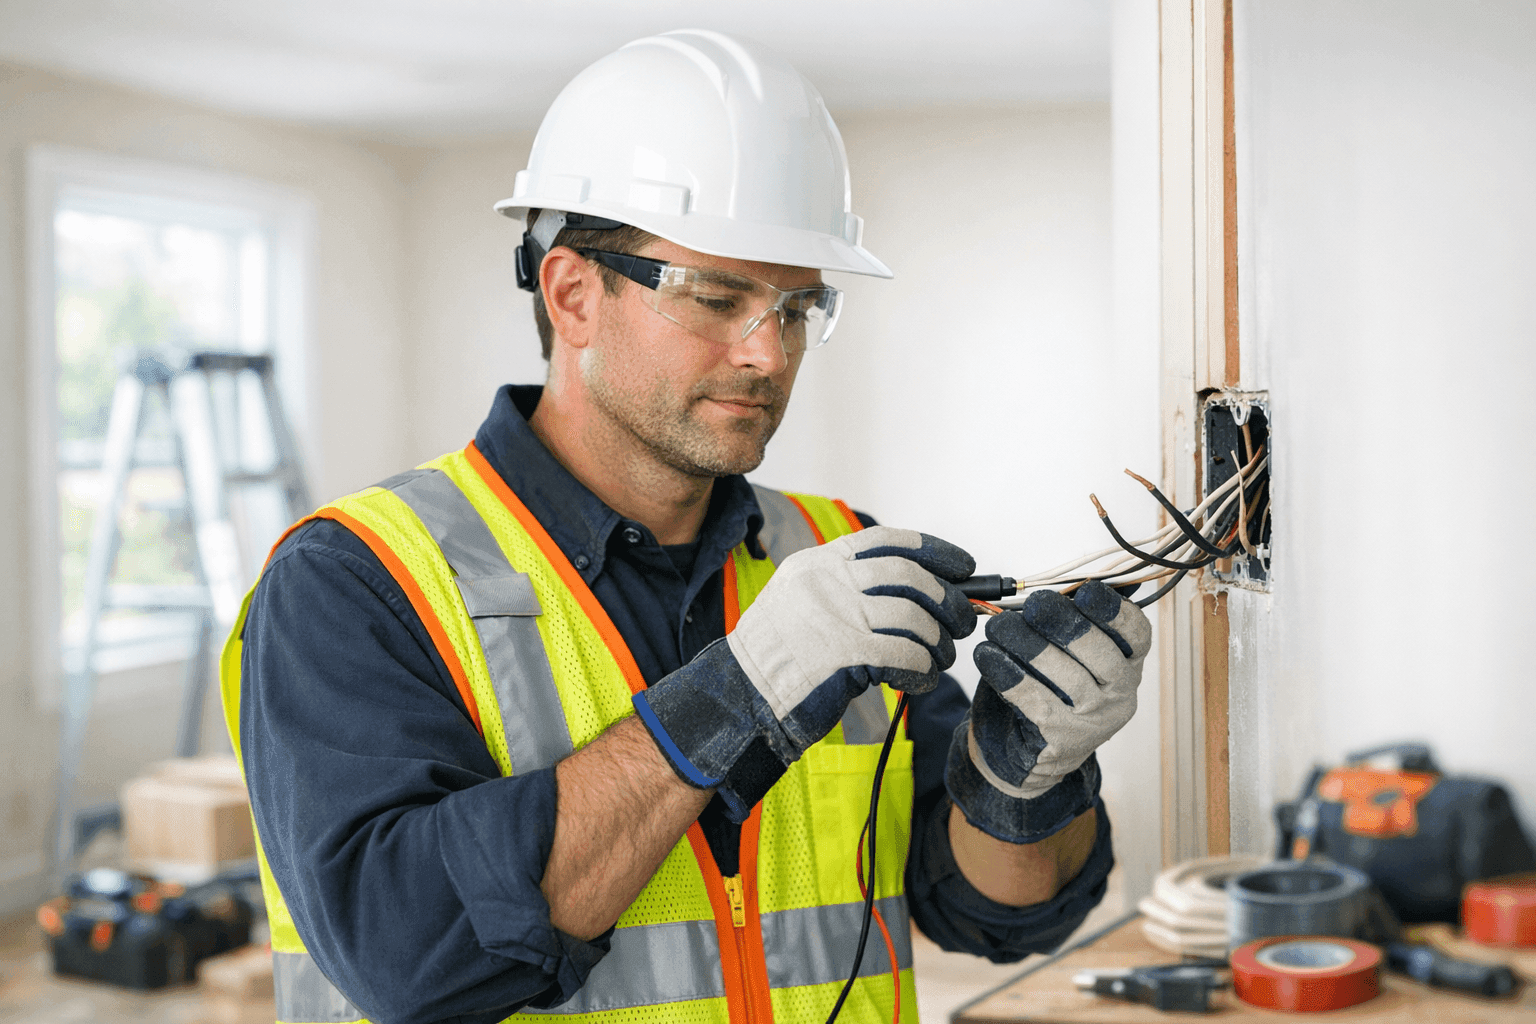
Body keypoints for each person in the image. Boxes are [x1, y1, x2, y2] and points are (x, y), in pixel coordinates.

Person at [224, 29, 1149, 1024]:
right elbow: (413, 955)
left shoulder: (833, 554)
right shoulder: (358, 580)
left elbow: (987, 913)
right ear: (574, 294)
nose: (768, 352)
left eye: (799, 308)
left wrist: (1020, 778)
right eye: (717, 297)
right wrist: (738, 695)